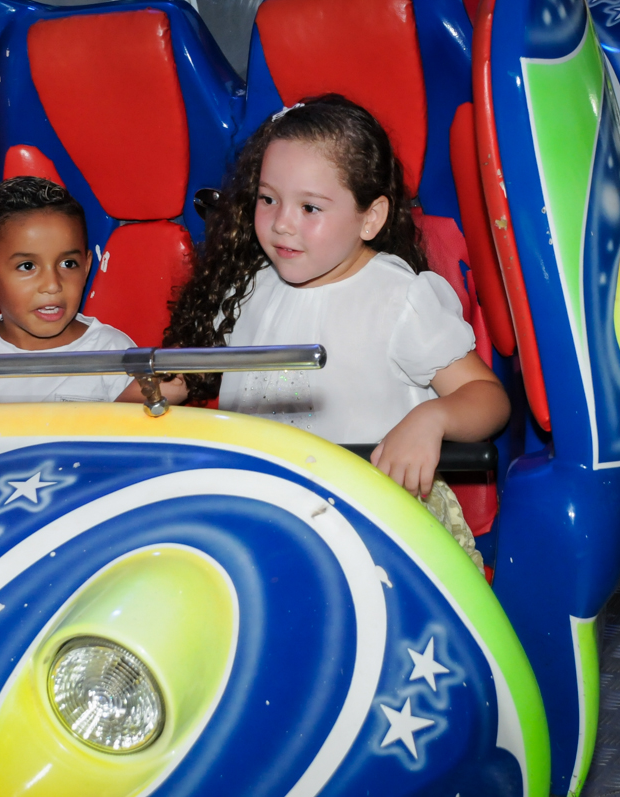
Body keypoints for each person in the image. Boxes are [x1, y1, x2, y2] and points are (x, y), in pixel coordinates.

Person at [164, 95, 510, 566]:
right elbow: (199, 378)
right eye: (268, 199)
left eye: (310, 207)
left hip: (377, 523)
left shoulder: (399, 299)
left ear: (371, 218)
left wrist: (433, 419)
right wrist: (158, 388)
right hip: (267, 512)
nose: (281, 224)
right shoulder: (248, 287)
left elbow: (488, 398)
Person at [0, 176, 148, 406]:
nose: (52, 285)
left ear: (86, 268)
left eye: (68, 264)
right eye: (27, 266)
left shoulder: (112, 351)